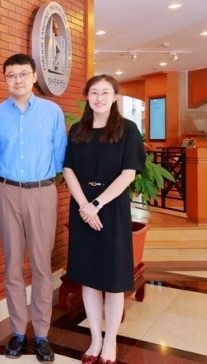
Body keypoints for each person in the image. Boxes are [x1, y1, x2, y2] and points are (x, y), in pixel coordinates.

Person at [0, 53, 66, 362]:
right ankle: (18, 332)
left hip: (42, 192)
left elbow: (59, 153)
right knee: (12, 265)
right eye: (11, 75)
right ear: (5, 79)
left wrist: (41, 180)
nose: (17, 79)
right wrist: (8, 177)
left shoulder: (51, 111)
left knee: (42, 266)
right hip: (6, 192)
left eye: (22, 74)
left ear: (33, 77)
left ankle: (42, 334)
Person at [62, 75, 145, 364]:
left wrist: (97, 204)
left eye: (105, 92)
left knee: (112, 278)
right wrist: (85, 205)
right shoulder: (78, 130)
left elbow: (128, 174)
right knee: (88, 278)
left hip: (111, 207)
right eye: (94, 92)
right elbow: (68, 169)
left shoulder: (127, 129)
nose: (99, 98)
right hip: (82, 207)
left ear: (114, 97)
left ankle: (110, 342)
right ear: (87, 96)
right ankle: (95, 339)